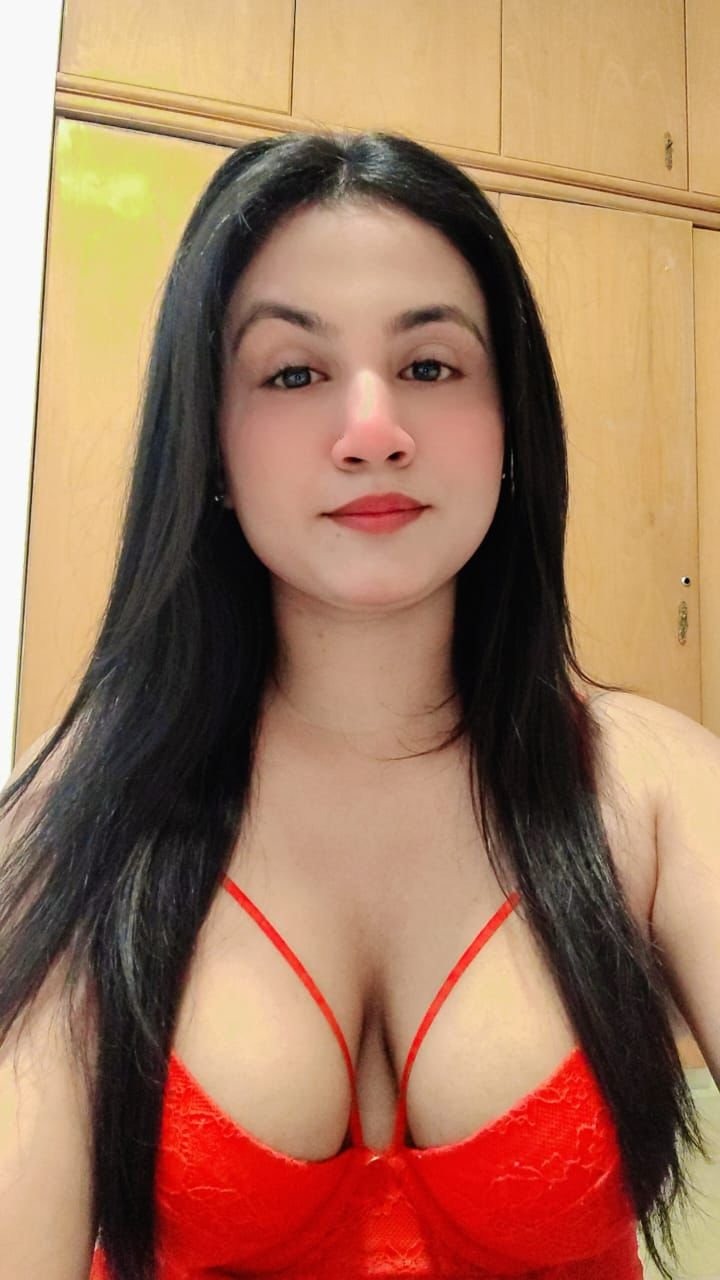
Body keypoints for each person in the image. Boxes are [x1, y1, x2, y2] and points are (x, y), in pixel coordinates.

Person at [0, 128, 717, 1280]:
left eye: (431, 365)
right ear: (212, 441)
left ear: (510, 424)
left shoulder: (660, 787)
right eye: (293, 373)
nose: (374, 430)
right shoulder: (78, 815)